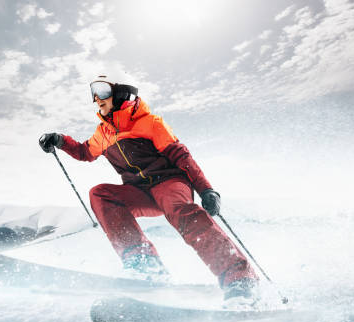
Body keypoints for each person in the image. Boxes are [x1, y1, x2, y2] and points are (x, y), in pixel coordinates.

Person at [39, 74, 258, 301]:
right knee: (100, 193)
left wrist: (206, 189)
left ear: (121, 92)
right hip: (139, 191)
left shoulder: (150, 122)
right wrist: (59, 140)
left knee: (179, 210)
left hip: (170, 183)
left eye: (102, 90)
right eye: (92, 92)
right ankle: (145, 266)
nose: (96, 98)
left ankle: (240, 280)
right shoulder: (103, 133)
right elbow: (85, 152)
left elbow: (182, 156)